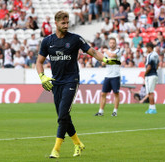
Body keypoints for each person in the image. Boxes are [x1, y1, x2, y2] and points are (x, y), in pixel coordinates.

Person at [36, 10, 120, 159]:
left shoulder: (75, 39)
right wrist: (42, 76)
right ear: (56, 23)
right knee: (64, 117)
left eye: (67, 22)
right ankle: (78, 143)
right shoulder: (48, 41)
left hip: (71, 80)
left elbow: (92, 51)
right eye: (63, 23)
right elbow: (39, 61)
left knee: (62, 115)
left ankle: (56, 149)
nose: (66, 25)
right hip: (56, 82)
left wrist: (105, 60)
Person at [94, 37, 121, 117]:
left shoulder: (118, 50)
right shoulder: (106, 53)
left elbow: (112, 55)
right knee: (103, 94)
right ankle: (101, 111)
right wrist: (109, 60)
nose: (112, 44)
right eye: (111, 43)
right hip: (107, 75)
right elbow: (103, 63)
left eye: (113, 43)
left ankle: (115, 111)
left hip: (115, 75)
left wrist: (106, 52)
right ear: (109, 44)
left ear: (115, 43)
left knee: (116, 94)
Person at [144, 42, 159, 114]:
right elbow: (158, 64)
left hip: (150, 75)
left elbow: (149, 66)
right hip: (154, 74)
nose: (147, 50)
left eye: (147, 48)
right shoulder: (156, 55)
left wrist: (145, 73)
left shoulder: (150, 55)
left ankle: (153, 108)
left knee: (150, 92)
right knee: (150, 92)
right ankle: (151, 107)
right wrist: (155, 70)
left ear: (149, 48)